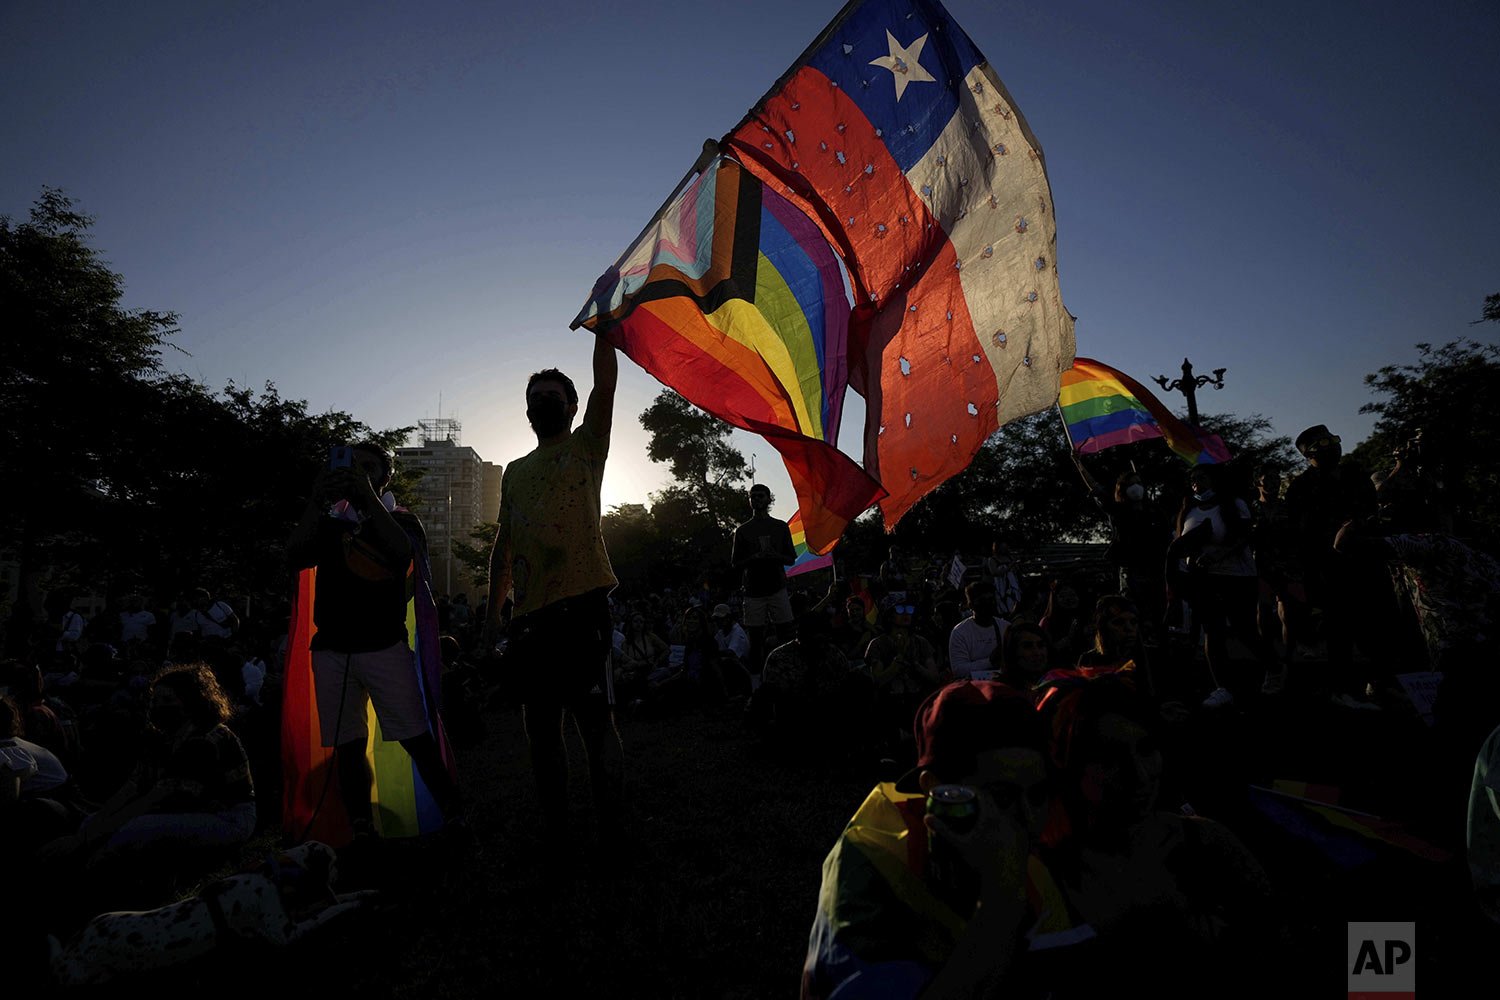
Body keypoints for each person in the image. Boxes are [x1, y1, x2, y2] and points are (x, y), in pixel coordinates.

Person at [802, 680, 1094, 1000]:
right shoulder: (870, 864)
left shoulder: (1042, 861)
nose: (1027, 817)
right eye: (1001, 796)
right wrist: (1001, 902)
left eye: (1037, 795)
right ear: (938, 791)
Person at [285, 439, 466, 842]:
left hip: (384, 645)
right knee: (348, 744)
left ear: (385, 477)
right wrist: (317, 499)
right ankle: (361, 827)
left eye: (370, 468)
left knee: (414, 736)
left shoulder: (401, 520)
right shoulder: (331, 520)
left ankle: (454, 812)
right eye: (354, 467)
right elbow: (295, 554)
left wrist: (366, 496)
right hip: (331, 647)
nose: (360, 473)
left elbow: (403, 555)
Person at [483, 335, 624, 849]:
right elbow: (503, 546)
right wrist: (493, 618)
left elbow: (605, 386)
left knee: (595, 724)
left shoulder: (587, 446)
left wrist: (605, 330)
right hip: (531, 619)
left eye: (552, 396)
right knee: (540, 731)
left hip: (584, 606)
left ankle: (611, 830)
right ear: (526, 413)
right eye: (535, 398)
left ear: (571, 407)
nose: (543, 403)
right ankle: (557, 831)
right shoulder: (515, 472)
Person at [1284, 424, 1377, 705]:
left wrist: (1357, 525)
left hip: (1365, 560)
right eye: (1324, 445)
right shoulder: (1301, 487)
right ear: (1309, 454)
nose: (1334, 448)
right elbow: (1298, 533)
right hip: (1327, 568)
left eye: (1335, 441)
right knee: (1339, 630)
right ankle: (1343, 689)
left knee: (1373, 625)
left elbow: (1372, 509)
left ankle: (1378, 682)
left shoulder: (1356, 475)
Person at [731, 483, 797, 677]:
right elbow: (735, 563)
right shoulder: (742, 531)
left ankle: (789, 672)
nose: (757, 499)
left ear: (769, 499)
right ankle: (757, 680)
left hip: (777, 588)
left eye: (761, 496)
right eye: (753, 496)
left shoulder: (780, 527)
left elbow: (791, 558)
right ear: (750, 500)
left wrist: (774, 555)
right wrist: (754, 558)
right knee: (755, 638)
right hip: (753, 591)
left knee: (786, 633)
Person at [948, 580, 1010, 680]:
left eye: (991, 599)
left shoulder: (1006, 627)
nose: (988, 604)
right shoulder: (959, 633)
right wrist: (989, 661)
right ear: (970, 605)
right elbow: (958, 670)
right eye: (982, 601)